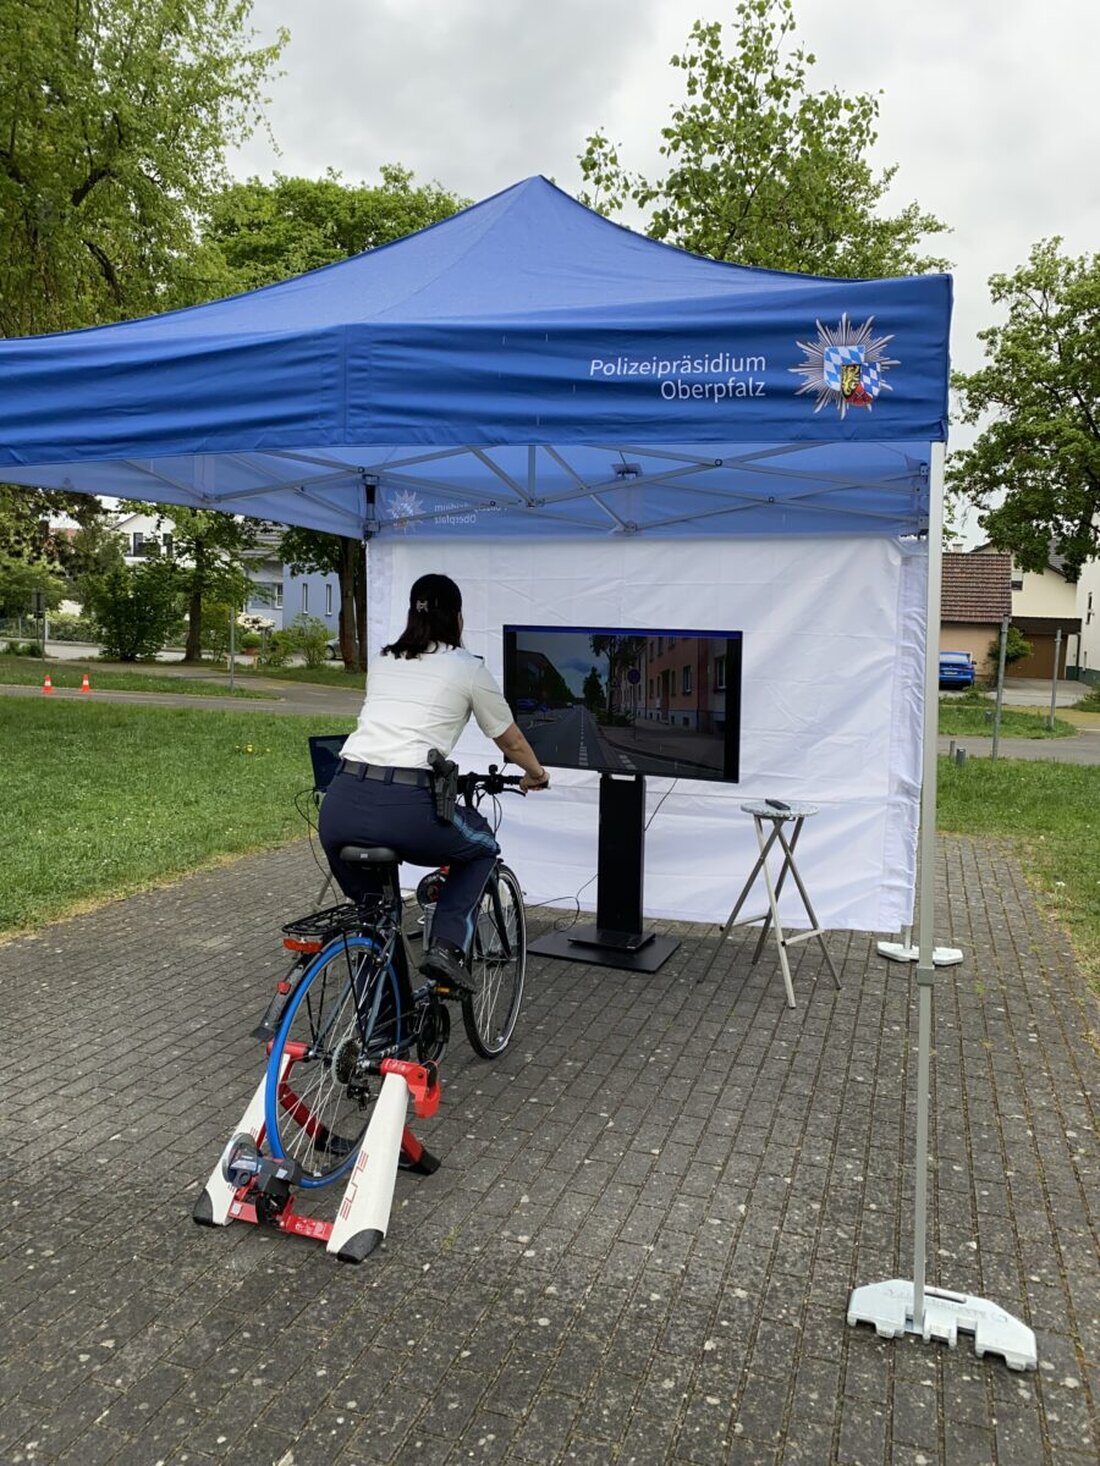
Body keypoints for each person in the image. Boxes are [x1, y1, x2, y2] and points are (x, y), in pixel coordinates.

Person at [318, 572, 550, 995]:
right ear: (458, 618)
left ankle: (386, 1033)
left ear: (412, 615)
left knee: (376, 922)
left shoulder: (385, 660)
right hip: (405, 807)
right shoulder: (468, 668)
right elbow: (511, 738)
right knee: (482, 847)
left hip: (340, 804)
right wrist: (536, 775)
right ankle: (445, 948)